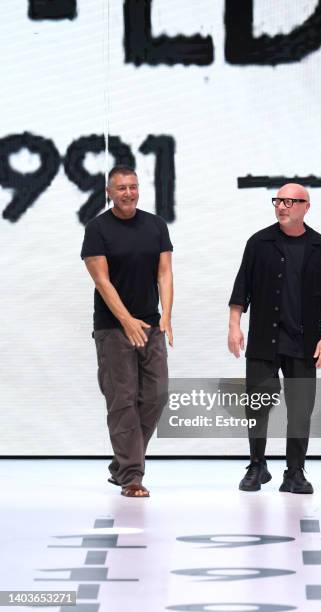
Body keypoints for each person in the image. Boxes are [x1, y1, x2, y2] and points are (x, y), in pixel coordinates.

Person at [228, 183, 321, 494]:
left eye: (290, 201)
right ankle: (256, 465)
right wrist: (234, 325)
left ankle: (294, 471)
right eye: (278, 200)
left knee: (300, 407)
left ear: (307, 206)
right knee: (257, 404)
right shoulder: (259, 243)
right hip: (265, 339)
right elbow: (242, 288)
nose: (282, 206)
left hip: (305, 342)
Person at [81, 165, 173, 498]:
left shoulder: (155, 226)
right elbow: (101, 280)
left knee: (156, 395)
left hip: (151, 324)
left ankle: (122, 463)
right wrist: (126, 320)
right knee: (122, 400)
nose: (129, 193)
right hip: (112, 329)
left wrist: (167, 316)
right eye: (121, 188)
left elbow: (164, 273)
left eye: (133, 187)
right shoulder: (97, 229)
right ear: (109, 192)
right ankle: (132, 476)